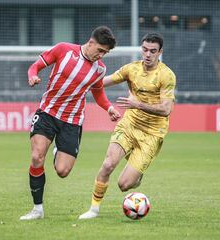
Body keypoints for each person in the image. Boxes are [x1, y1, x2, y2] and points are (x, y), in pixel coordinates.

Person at [19, 26, 121, 221]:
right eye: (100, 50)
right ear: (90, 42)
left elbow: (98, 94)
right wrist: (32, 76)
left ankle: (58, 150)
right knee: (37, 157)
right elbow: (35, 66)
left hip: (72, 121)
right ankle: (37, 209)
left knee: (63, 171)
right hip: (47, 113)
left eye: (105, 53)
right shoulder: (64, 49)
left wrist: (109, 108)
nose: (101, 55)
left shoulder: (99, 69)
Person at [79, 33, 176, 219]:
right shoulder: (131, 69)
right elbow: (100, 82)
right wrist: (79, 79)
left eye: (153, 51)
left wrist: (137, 104)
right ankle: (93, 209)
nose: (148, 54)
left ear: (160, 52)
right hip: (129, 125)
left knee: (124, 184)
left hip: (152, 134)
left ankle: (136, 175)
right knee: (108, 165)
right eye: (145, 50)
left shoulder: (166, 75)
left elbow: (166, 109)